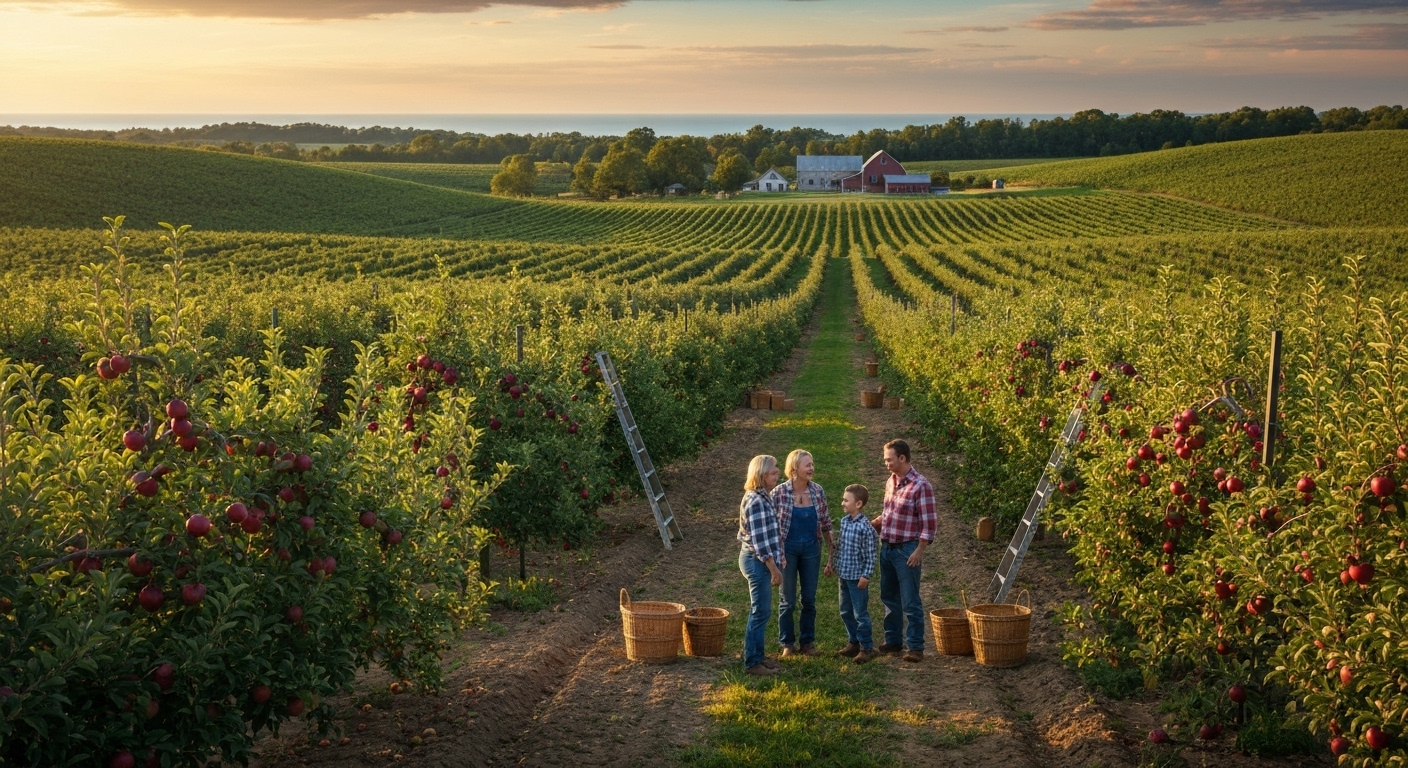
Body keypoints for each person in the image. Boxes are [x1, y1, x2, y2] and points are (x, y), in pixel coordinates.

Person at [872, 439, 935, 662]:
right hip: (887, 547)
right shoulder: (891, 481)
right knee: (889, 596)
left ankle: (916, 646)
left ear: (902, 458)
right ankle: (893, 640)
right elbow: (888, 514)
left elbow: (929, 524)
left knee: (910, 600)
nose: (886, 463)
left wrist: (919, 550)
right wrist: (871, 524)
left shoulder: (920, 485)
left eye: (889, 459)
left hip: (907, 549)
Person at [771, 449, 832, 657]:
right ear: (794, 468)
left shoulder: (817, 491)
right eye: (808, 465)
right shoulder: (778, 493)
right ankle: (787, 643)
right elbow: (770, 526)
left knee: (809, 598)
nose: (812, 468)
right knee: (787, 599)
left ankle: (807, 642)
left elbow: (825, 523)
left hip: (810, 550)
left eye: (812, 464)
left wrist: (831, 553)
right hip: (787, 550)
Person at [738, 454, 785, 676]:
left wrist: (780, 556)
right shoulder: (756, 501)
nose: (778, 472)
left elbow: (771, 533)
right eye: (773, 470)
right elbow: (760, 543)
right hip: (757, 561)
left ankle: (757, 654)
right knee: (760, 611)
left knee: (762, 611)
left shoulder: (763, 495)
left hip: (760, 559)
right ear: (761, 474)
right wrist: (774, 569)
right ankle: (752, 662)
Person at [833, 483, 878, 664]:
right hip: (843, 575)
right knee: (845, 610)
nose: (842, 503)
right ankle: (854, 642)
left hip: (857, 578)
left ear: (858, 504)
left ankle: (867, 647)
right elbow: (840, 548)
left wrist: (865, 575)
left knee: (860, 613)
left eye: (846, 500)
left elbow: (870, 554)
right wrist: (832, 565)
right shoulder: (844, 522)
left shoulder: (865, 528)